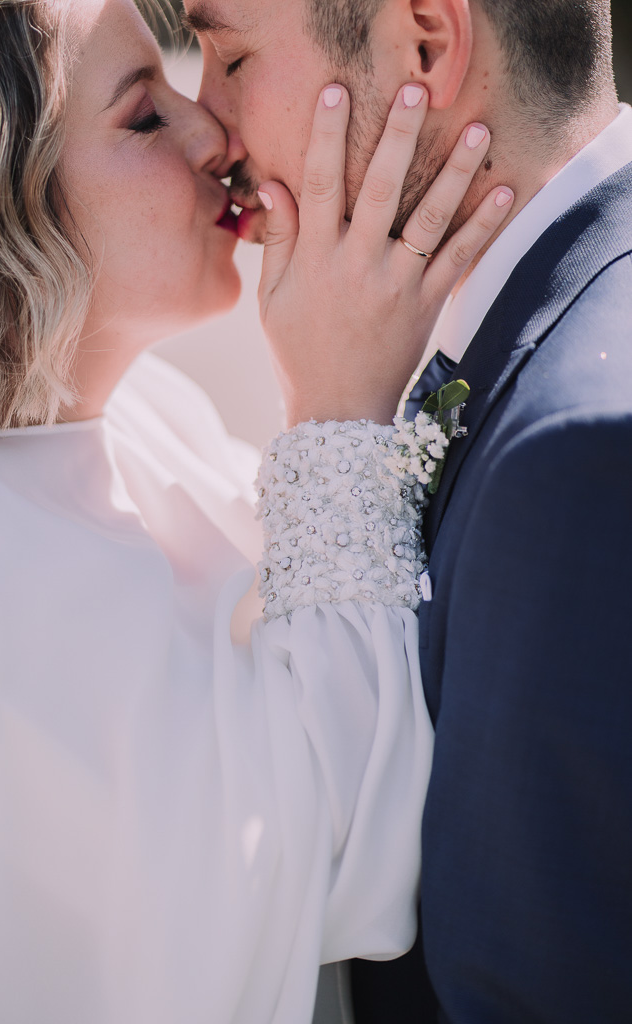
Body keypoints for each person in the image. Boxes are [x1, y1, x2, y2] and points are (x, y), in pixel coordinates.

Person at [0, 1, 514, 1022]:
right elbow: (337, 873)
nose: (212, 135)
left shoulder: (152, 418)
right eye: (142, 119)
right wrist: (339, 410)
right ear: (0, 204)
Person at [182, 0, 632, 1020]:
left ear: (424, 43)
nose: (207, 123)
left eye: (230, 55)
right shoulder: (544, 328)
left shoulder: (581, 456)